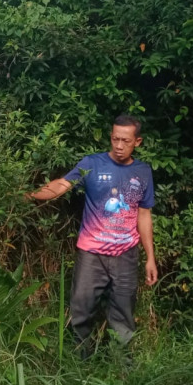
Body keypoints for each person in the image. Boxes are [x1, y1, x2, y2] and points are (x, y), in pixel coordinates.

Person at [28, 115, 158, 360]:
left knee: (123, 314)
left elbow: (144, 214)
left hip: (126, 255)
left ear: (137, 142)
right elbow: (62, 185)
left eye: (126, 141)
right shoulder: (92, 163)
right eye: (115, 139)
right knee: (81, 310)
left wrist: (150, 257)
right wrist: (30, 195)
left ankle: (121, 368)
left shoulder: (143, 172)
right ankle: (78, 364)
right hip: (91, 254)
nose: (119, 145)